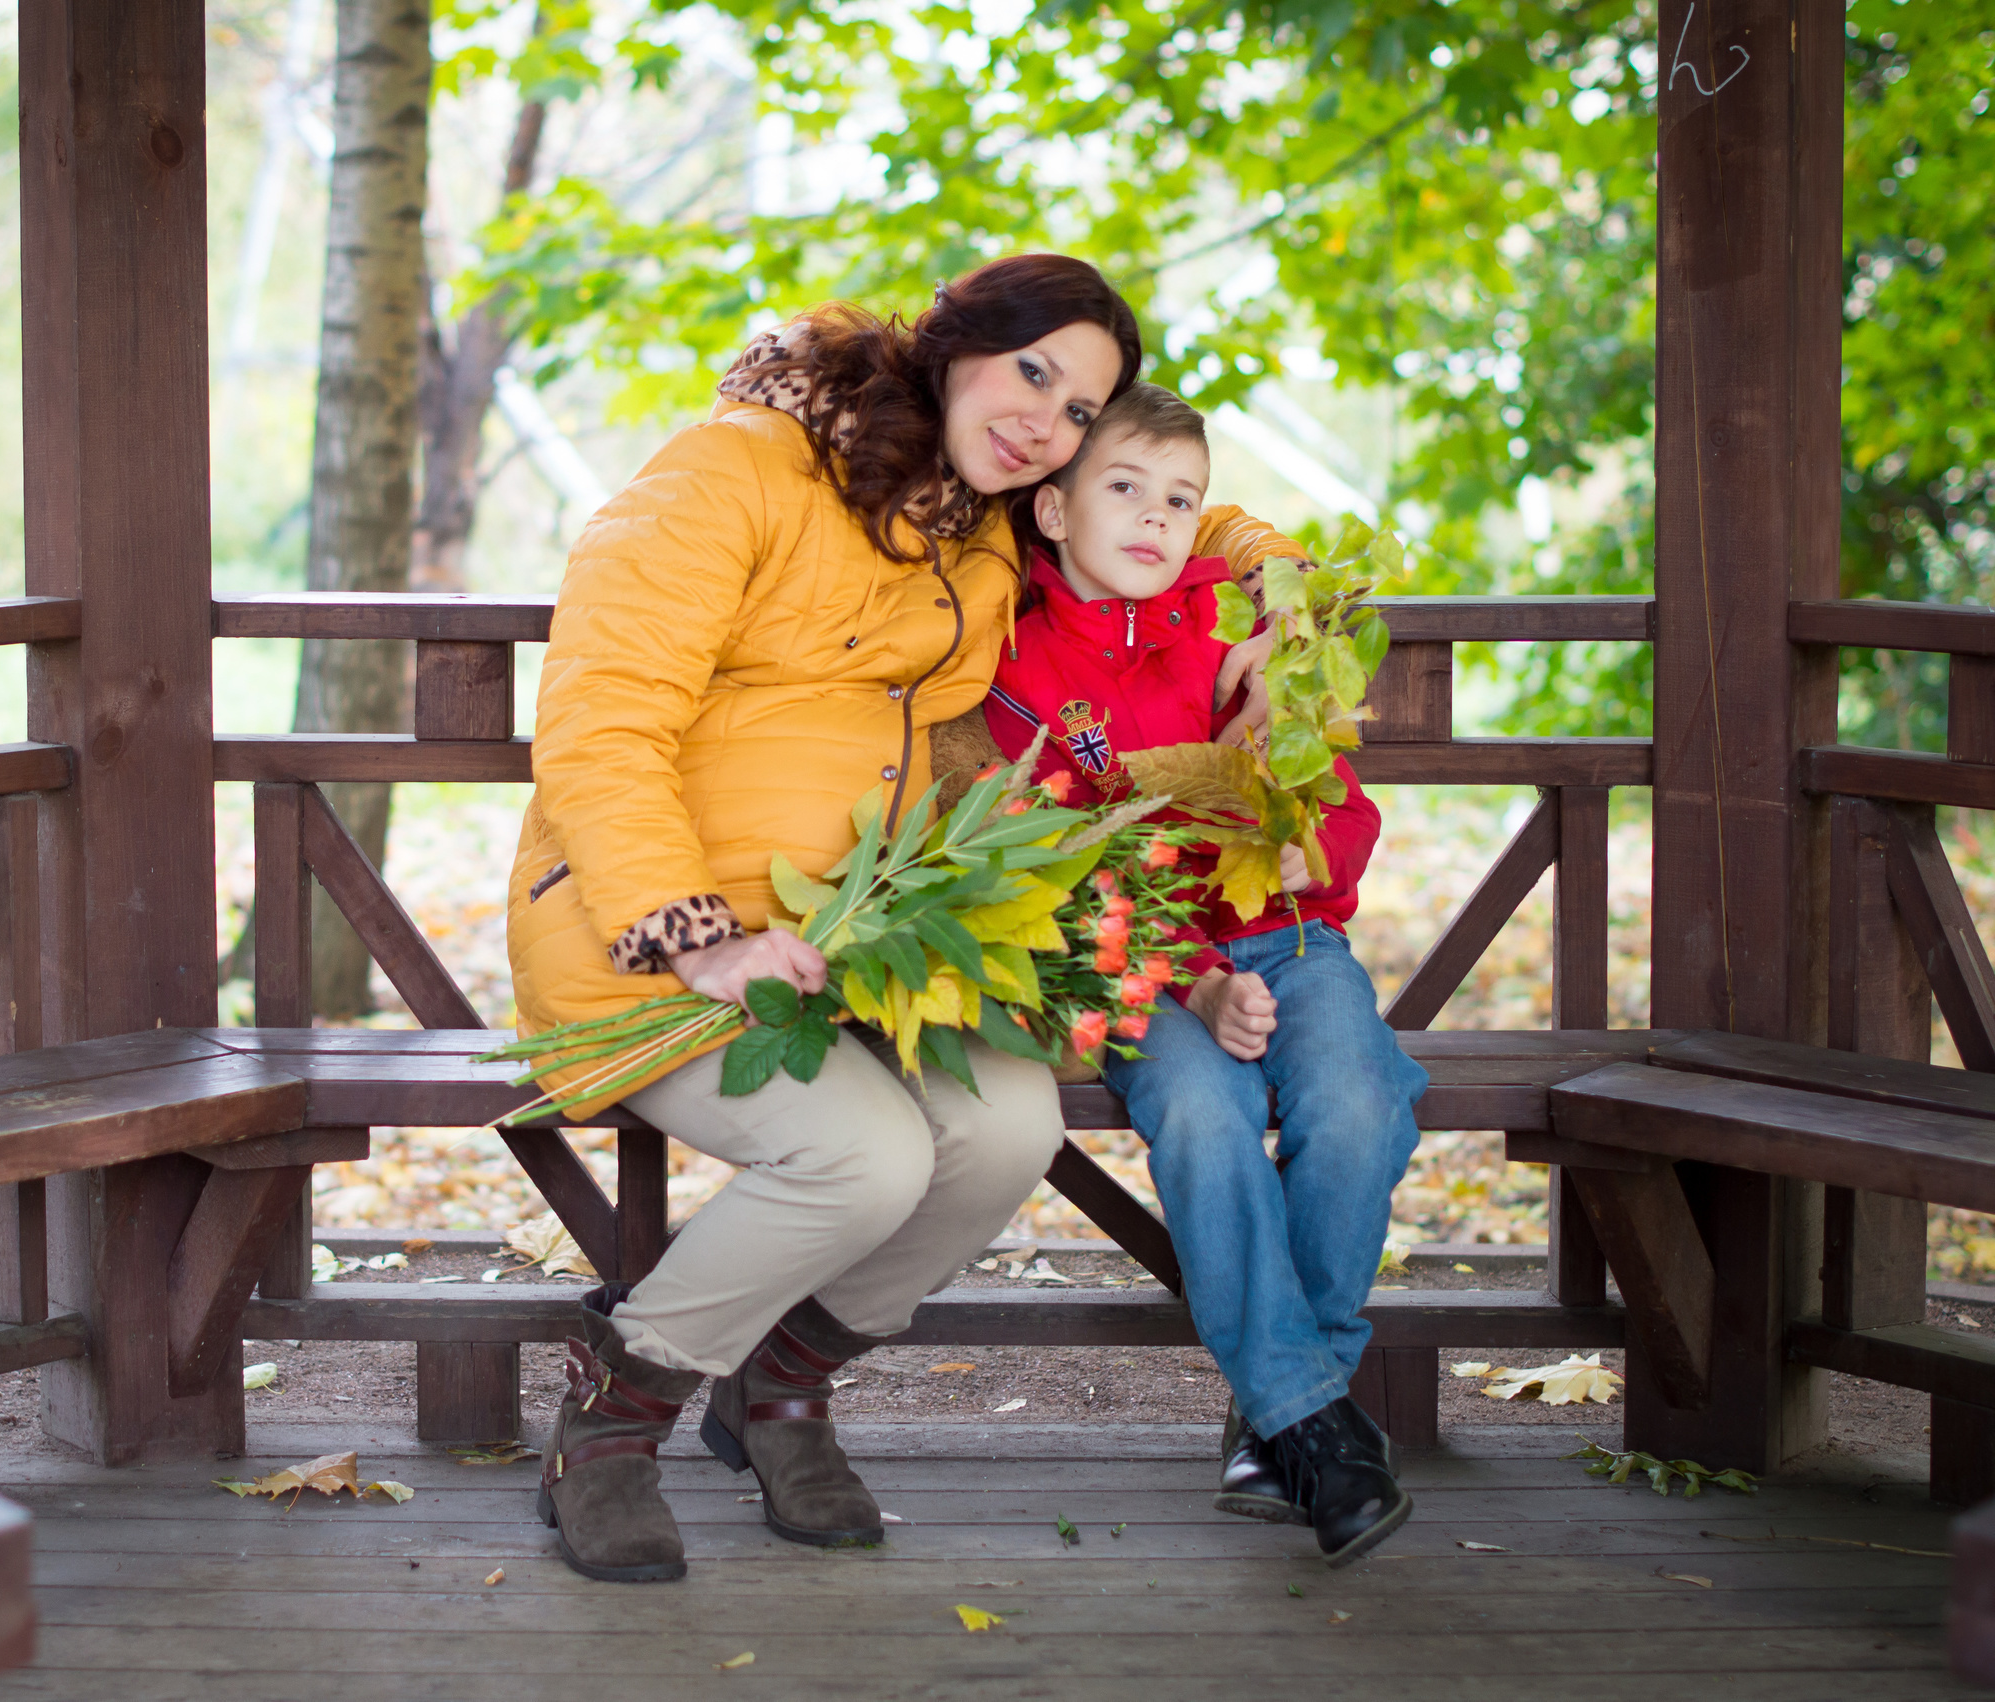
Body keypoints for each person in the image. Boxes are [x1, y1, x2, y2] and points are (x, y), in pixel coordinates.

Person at [507, 258, 1311, 1583]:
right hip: (646, 928)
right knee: (865, 1157)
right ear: (954, 346)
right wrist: (696, 930)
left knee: (1008, 1128)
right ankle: (615, 1419)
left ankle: (780, 1386)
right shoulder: (734, 471)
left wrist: (1278, 594)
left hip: (865, 934)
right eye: (1033, 371)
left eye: (1080, 406)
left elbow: (1194, 517)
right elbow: (600, 725)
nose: (1046, 419)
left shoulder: (984, 526)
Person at [981, 381, 1424, 1567]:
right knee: (1202, 1112)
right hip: (1149, 971)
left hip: (1290, 936)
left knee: (1356, 1097)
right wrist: (1193, 985)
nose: (1153, 517)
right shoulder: (1019, 661)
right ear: (1054, 509)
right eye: (1122, 488)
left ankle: (1279, 1414)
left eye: (1179, 499)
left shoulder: (1240, 627)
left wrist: (1301, 839)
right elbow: (1065, 876)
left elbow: (1339, 812)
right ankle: (1311, 1423)